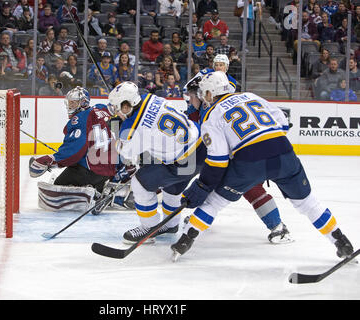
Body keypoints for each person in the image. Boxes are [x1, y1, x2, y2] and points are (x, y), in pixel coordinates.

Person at [171, 71, 354, 261]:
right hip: (283, 153)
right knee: (308, 203)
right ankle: (341, 241)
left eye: (202, 93)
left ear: (209, 93)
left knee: (214, 202)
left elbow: (218, 160)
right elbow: (283, 123)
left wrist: (203, 185)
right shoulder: (250, 96)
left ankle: (185, 240)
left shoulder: (211, 116)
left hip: (249, 162)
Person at [182, 55, 292, 244]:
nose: (189, 101)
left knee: (251, 189)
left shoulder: (216, 106)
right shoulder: (202, 110)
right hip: (231, 155)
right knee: (210, 182)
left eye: (192, 97)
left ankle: (278, 226)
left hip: (243, 156)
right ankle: (199, 220)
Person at [107, 81, 205, 244]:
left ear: (127, 105)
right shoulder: (151, 98)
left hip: (182, 160)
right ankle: (171, 224)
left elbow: (126, 154)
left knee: (139, 183)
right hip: (200, 145)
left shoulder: (133, 128)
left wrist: (116, 131)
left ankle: (149, 227)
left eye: (118, 108)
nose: (117, 112)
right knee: (172, 187)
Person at [29, 87, 124, 212]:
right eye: (69, 103)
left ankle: (92, 194)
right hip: (108, 169)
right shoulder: (100, 108)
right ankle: (98, 189)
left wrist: (52, 160)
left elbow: (74, 150)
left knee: (59, 184)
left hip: (90, 170)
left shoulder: (78, 119)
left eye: (74, 102)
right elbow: (112, 109)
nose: (70, 106)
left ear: (83, 102)